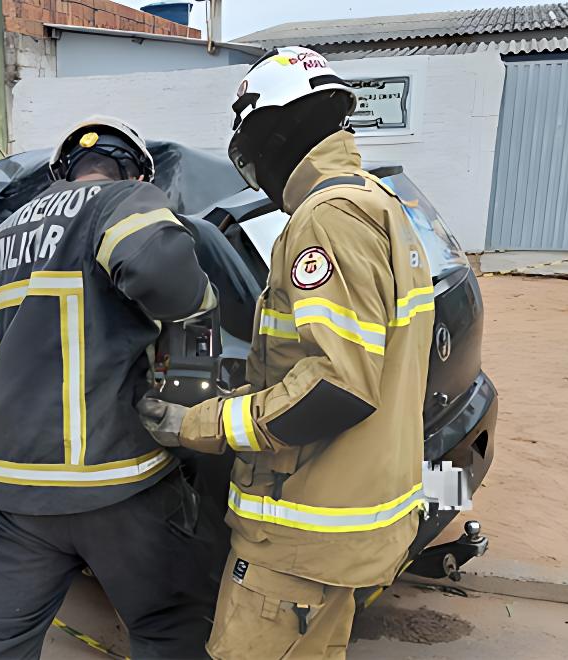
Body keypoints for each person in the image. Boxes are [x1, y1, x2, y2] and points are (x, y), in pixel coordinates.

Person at [139, 48, 436, 659]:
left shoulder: (325, 219)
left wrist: (202, 421)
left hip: (302, 531)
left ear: (275, 131)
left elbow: (339, 386)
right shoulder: (380, 203)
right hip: (347, 522)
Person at [0, 117, 219, 659]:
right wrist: (197, 310)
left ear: (62, 172)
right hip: (117, 484)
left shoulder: (3, 236)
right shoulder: (121, 200)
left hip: (16, 489)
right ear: (134, 170)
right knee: (168, 627)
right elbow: (162, 271)